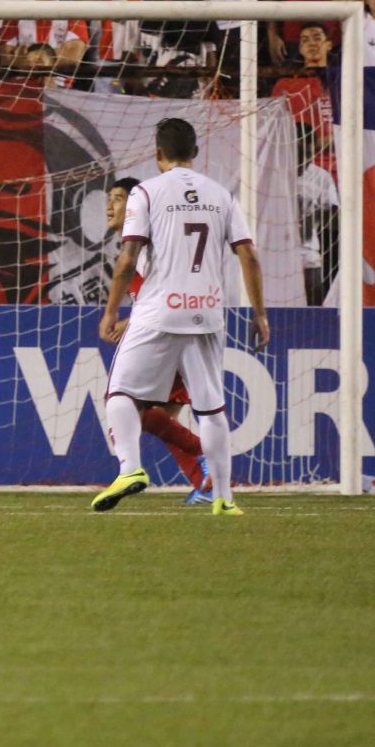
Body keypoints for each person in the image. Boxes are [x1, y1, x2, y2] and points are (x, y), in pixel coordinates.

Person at [95, 117, 268, 516]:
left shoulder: (147, 192)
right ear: (195, 153)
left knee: (119, 394)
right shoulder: (221, 194)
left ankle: (130, 470)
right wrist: (260, 314)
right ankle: (224, 498)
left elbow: (127, 259)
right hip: (207, 313)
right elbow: (249, 255)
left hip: (158, 312)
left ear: (158, 153)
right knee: (212, 410)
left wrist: (110, 311)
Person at [103, 177, 210, 502]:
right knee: (155, 418)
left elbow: (169, 293)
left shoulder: (145, 247)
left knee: (128, 416)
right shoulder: (141, 244)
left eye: (119, 198)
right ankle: (207, 482)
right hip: (176, 333)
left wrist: (130, 320)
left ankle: (207, 455)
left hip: (167, 337)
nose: (110, 205)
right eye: (109, 198)